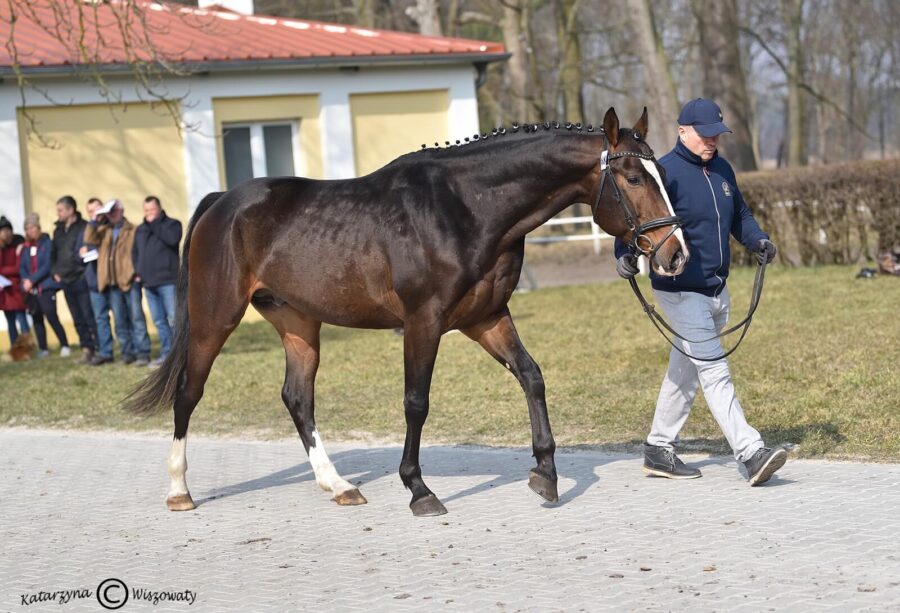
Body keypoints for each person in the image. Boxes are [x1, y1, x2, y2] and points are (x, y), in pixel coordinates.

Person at [615, 98, 786, 486]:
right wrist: (623, 255)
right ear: (682, 131)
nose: (712, 140)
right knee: (713, 370)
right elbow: (635, 215)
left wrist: (757, 240)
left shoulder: (722, 169)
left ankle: (659, 448)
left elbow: (739, 214)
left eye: (716, 134)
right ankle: (750, 452)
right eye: (704, 133)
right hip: (678, 289)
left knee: (686, 370)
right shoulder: (666, 173)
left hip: (716, 288)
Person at [83, 199, 151, 366]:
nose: (112, 214)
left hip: (129, 279)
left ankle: (142, 352)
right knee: (119, 320)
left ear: (122, 210)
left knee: (136, 318)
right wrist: (95, 219)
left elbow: (140, 252)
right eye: (109, 211)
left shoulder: (133, 229)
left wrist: (137, 273)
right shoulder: (104, 230)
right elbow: (89, 239)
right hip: (112, 282)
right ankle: (127, 353)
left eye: (114, 210)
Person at [133, 196, 182, 367]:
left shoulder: (172, 225)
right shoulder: (140, 230)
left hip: (168, 281)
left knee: (174, 319)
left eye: (152, 210)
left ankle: (181, 355)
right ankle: (167, 354)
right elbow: (136, 253)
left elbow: (172, 240)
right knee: (159, 321)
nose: (149, 214)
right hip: (149, 283)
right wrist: (138, 271)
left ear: (159, 208)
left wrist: (154, 224)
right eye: (146, 210)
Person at [76, 197, 124, 366]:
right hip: (93, 281)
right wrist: (81, 252)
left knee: (120, 317)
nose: (93, 214)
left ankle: (127, 351)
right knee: (100, 319)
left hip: (111, 279)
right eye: (90, 211)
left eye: (96, 210)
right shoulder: (89, 227)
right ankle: (106, 352)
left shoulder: (110, 226)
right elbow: (82, 247)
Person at [52, 195, 98, 362]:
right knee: (77, 317)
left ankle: (97, 348)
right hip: (65, 280)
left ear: (71, 210)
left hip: (80, 278)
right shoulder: (57, 230)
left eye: (61, 210)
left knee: (88, 315)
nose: (58, 213)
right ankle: (85, 348)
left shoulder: (83, 226)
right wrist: (55, 271)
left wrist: (81, 271)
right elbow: (54, 253)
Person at [19, 213, 71, 358]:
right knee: (37, 319)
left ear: (38, 227)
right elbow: (22, 266)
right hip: (31, 290)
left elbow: (47, 265)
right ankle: (43, 348)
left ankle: (65, 345)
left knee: (51, 316)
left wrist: (33, 279)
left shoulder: (47, 243)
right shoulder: (25, 247)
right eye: (27, 228)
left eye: (33, 227)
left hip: (46, 287)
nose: (31, 231)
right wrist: (26, 281)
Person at [0, 215, 30, 345]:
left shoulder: (18, 245)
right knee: (10, 321)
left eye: (8, 230)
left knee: (21, 318)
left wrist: (3, 271)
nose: (6, 233)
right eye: (3, 231)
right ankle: (15, 348)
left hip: (16, 289)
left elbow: (18, 267)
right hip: (5, 291)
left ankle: (27, 347)